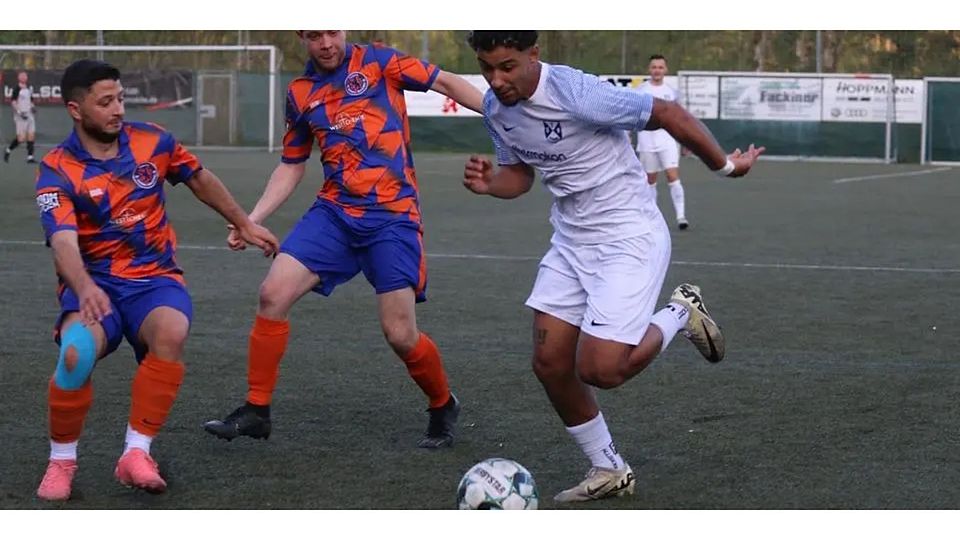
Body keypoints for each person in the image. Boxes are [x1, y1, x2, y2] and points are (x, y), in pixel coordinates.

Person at [463, 31, 764, 503]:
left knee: (602, 369)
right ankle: (608, 468)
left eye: (507, 66)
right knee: (550, 363)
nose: (496, 80)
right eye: (486, 67)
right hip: (570, 241)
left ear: (533, 55)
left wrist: (725, 166)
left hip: (629, 236)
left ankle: (681, 311)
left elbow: (667, 114)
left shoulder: (574, 92)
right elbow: (519, 176)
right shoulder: (498, 109)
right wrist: (490, 183)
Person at [203, 30, 485, 450]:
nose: (325, 42)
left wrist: (499, 114)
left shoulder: (380, 62)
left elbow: (444, 81)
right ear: (302, 36)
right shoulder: (300, 92)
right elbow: (291, 165)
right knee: (272, 294)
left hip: (392, 216)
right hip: (334, 214)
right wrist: (249, 220)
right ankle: (256, 410)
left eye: (331, 30)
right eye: (314, 35)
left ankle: (442, 404)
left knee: (400, 333)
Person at [33, 59, 279, 501]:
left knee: (171, 330)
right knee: (75, 355)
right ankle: (61, 462)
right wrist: (85, 286)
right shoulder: (56, 168)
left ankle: (136, 453)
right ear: (75, 109)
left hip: (153, 279)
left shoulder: (153, 141)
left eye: (120, 99)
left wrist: (242, 222)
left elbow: (198, 177)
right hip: (95, 286)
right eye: (105, 102)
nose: (117, 109)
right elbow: (63, 240)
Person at [635, 55, 688, 229]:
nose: (657, 70)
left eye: (660, 67)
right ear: (649, 70)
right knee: (650, 180)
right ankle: (653, 218)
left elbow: (681, 119)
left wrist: (686, 142)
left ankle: (681, 217)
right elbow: (631, 115)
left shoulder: (672, 92)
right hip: (646, 142)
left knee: (673, 177)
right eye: (654, 67)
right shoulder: (641, 91)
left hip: (667, 142)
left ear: (665, 70)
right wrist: (626, 135)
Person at [4, 71, 37, 164]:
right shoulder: (17, 89)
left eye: (25, 76)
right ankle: (8, 150)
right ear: (19, 78)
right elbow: (13, 102)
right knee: (21, 138)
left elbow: (31, 100)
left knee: (31, 135)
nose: (24, 77)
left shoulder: (28, 89)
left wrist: (33, 107)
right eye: (22, 76)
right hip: (21, 116)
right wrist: (19, 113)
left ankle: (30, 157)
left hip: (29, 114)